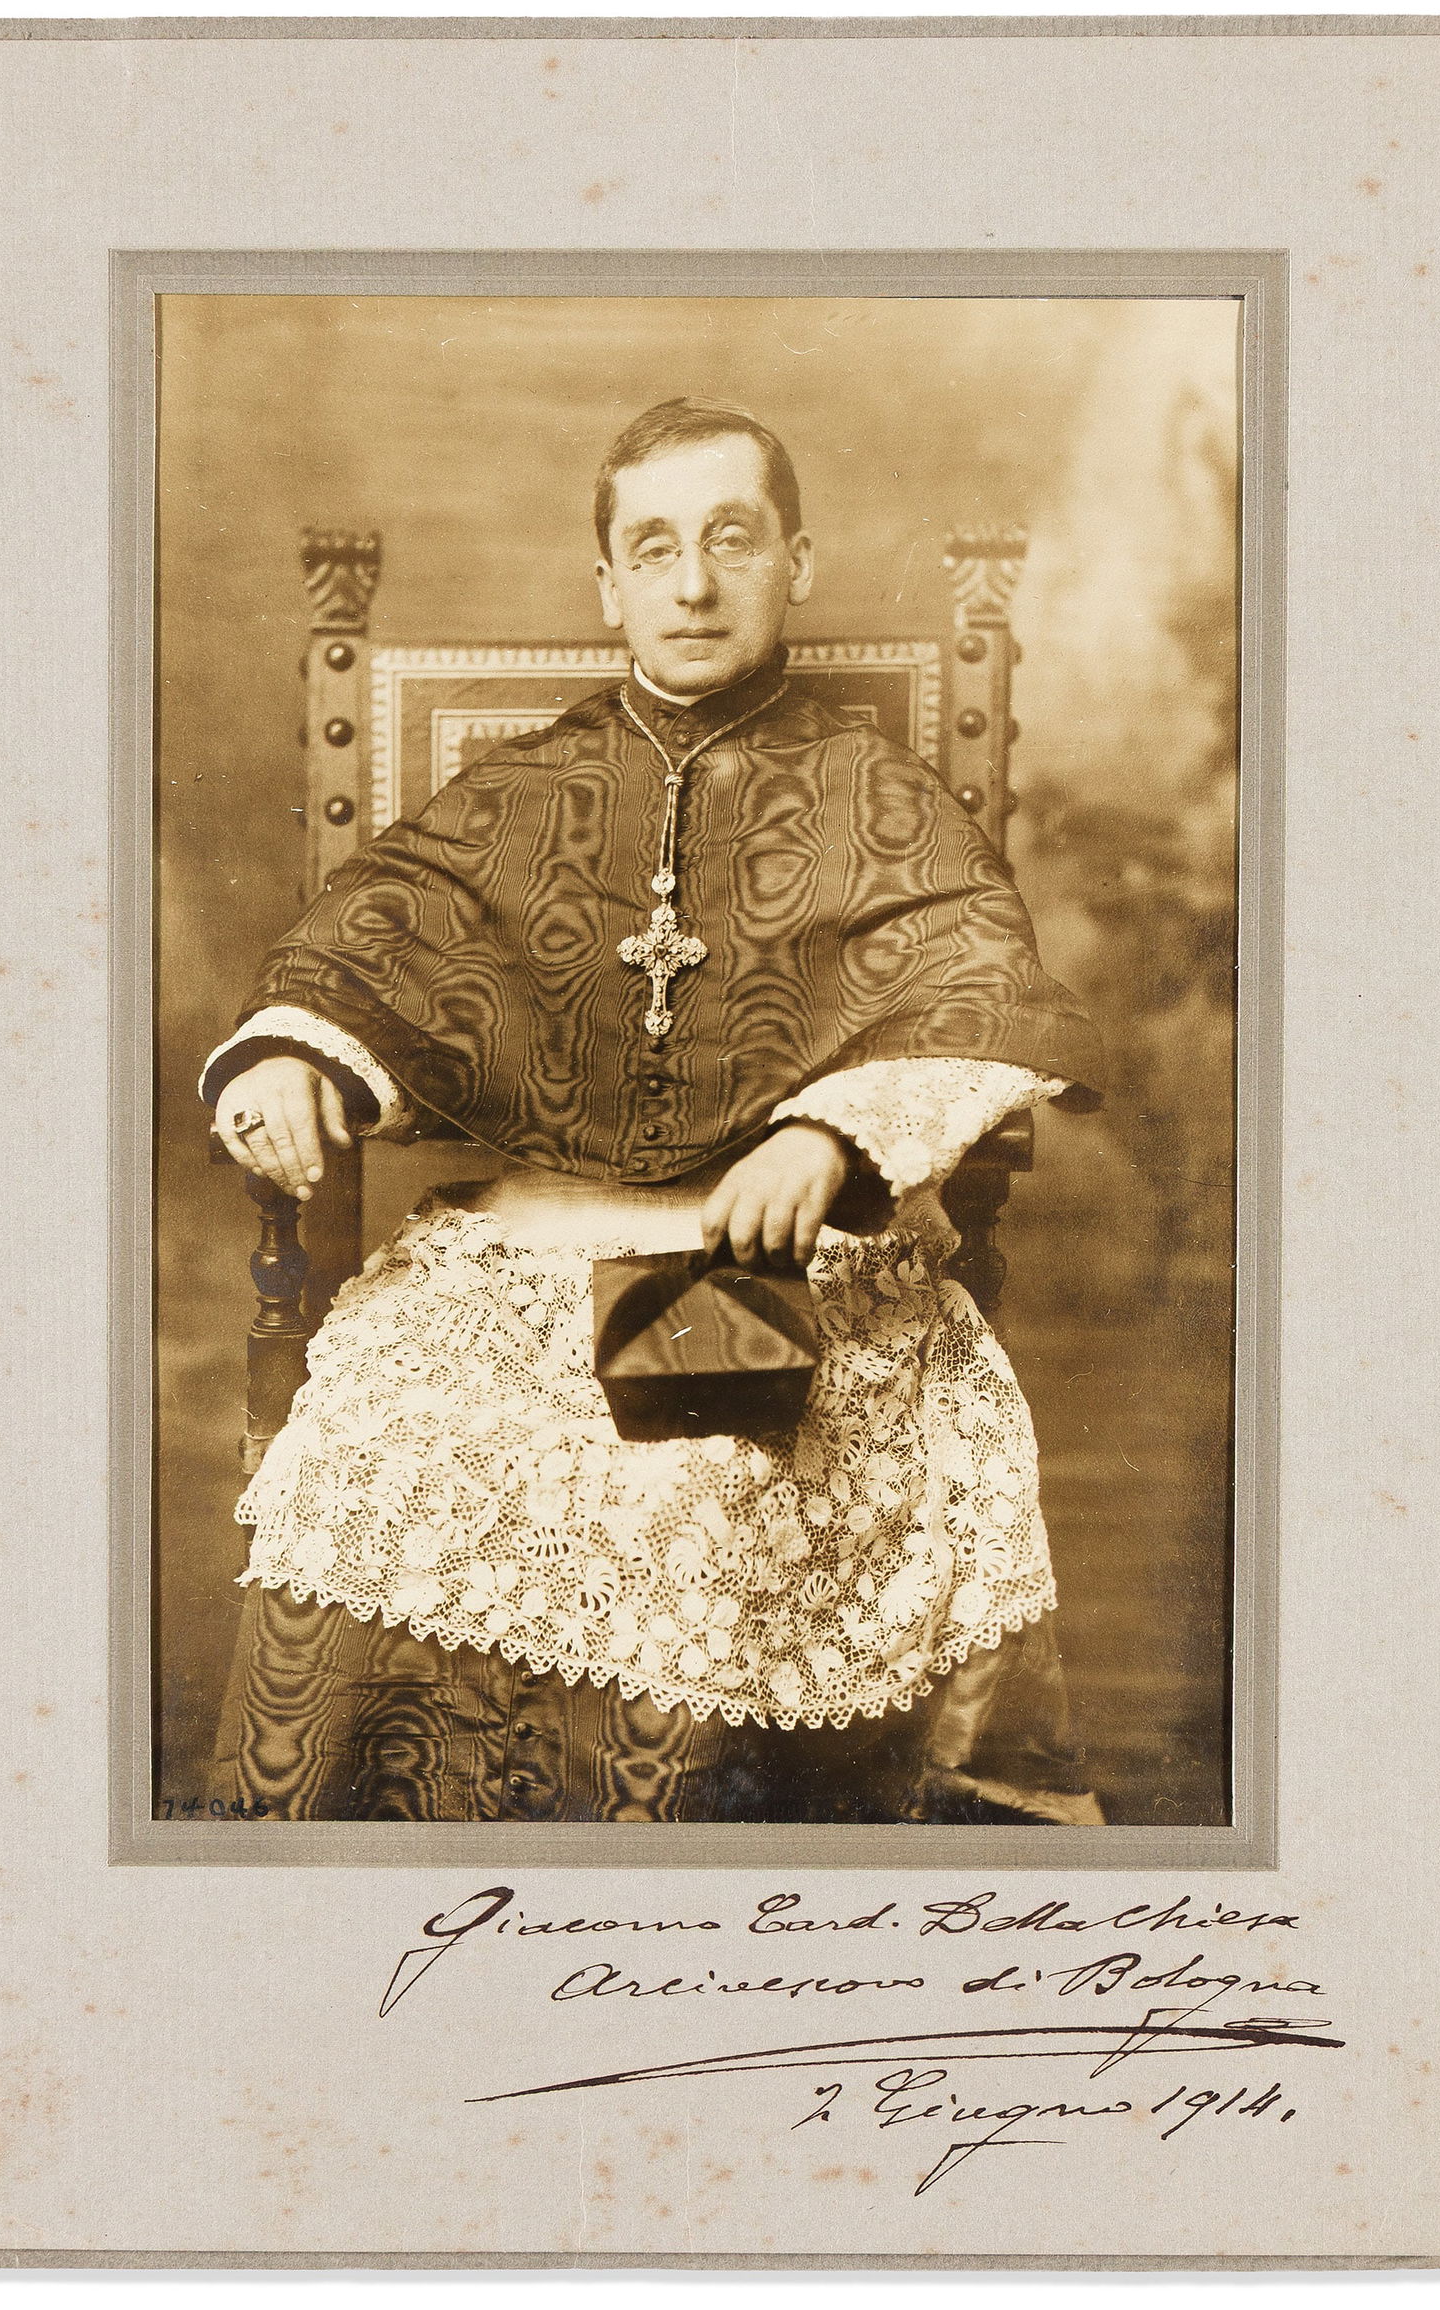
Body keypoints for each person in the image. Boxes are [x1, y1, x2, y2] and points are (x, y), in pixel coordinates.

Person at [200, 397, 1106, 1825]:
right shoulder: (525, 786)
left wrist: (828, 1136)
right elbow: (372, 939)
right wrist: (289, 1061)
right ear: (606, 582)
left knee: (698, 1499)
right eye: (657, 547)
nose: (693, 584)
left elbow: (976, 982)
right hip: (524, 1262)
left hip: (782, 1272)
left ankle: (675, 1915)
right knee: (370, 1451)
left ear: (793, 561)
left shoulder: (884, 794)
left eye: (731, 539)